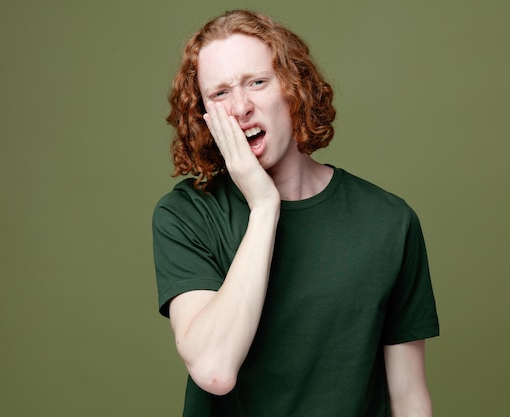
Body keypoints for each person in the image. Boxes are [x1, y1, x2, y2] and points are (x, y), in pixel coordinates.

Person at [152, 9, 439, 417]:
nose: (240, 106)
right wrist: (264, 207)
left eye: (257, 82)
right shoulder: (185, 215)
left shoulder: (389, 221)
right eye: (219, 94)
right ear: (205, 116)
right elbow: (214, 369)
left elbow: (409, 397)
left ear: (293, 88)